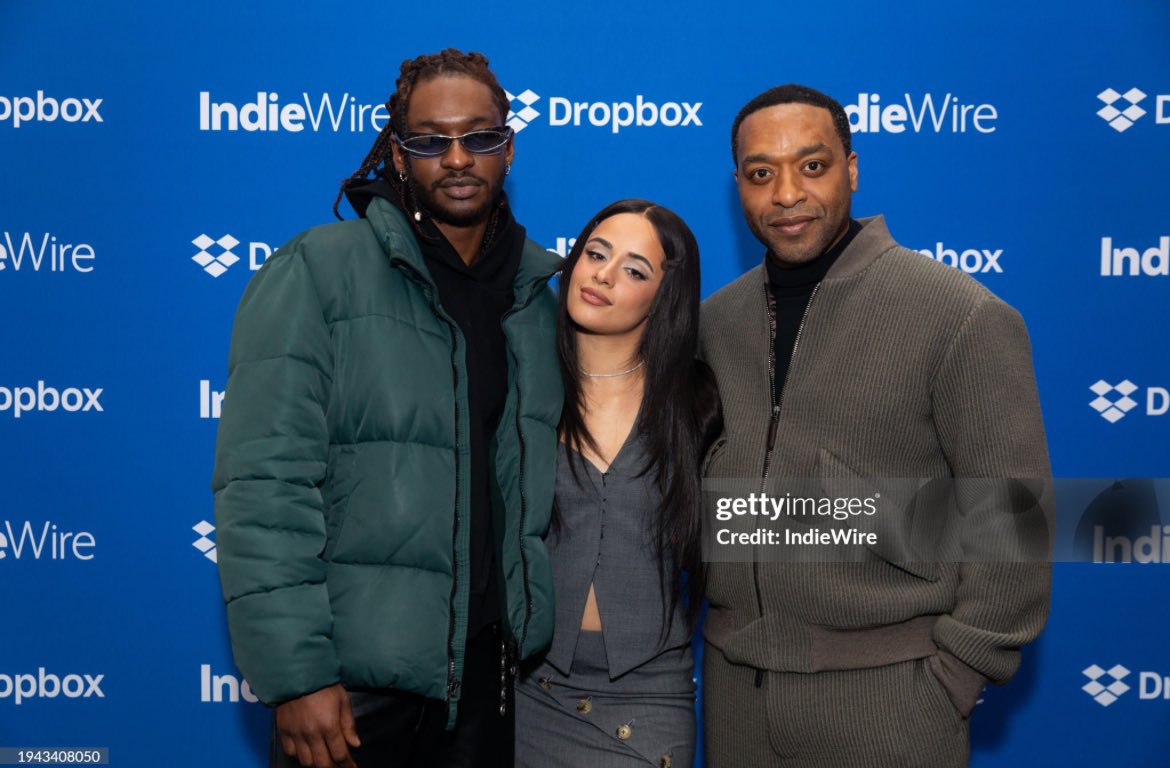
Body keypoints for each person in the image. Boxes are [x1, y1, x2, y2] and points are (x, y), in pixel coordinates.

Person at [211, 49, 563, 768]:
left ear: (509, 147)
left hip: (486, 684)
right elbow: (264, 484)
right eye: (431, 141)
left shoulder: (535, 299)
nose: (458, 158)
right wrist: (297, 674)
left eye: (480, 137)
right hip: (353, 687)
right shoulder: (318, 269)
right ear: (399, 155)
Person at [698, 84, 1051, 767]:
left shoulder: (958, 315)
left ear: (852, 169)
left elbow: (1010, 517)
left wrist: (954, 677)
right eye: (761, 173)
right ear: (738, 184)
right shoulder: (714, 324)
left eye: (813, 165)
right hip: (736, 697)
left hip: (889, 701)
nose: (787, 194)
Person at [515, 199, 721, 768]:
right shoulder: (521, 387)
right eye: (595, 254)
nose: (603, 275)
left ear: (664, 296)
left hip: (647, 698)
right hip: (526, 690)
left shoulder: (699, 406)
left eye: (634, 270)